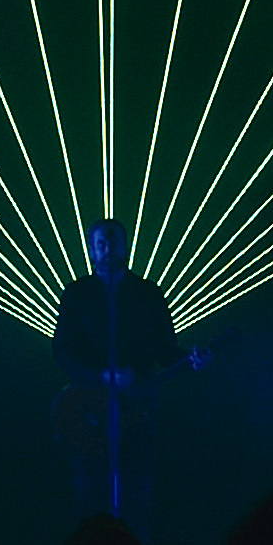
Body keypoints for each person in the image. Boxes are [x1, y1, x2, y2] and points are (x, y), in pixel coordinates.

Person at [50, 218, 190, 522]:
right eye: (101, 244)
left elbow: (165, 348)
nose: (107, 250)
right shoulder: (76, 293)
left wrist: (190, 359)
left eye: (112, 243)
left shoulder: (148, 293)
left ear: (125, 247)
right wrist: (99, 376)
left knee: (137, 488)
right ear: (91, 249)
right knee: (90, 490)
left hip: (138, 407)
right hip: (89, 409)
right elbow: (63, 350)